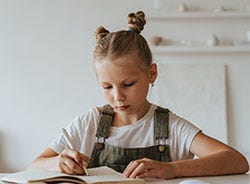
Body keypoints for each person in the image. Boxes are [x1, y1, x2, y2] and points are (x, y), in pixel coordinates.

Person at [29, 11, 249, 179]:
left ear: (151, 73)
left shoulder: (170, 126)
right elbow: (36, 164)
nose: (118, 97)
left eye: (128, 84)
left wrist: (171, 169)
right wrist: (58, 163)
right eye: (107, 87)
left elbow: (237, 161)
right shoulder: (90, 122)